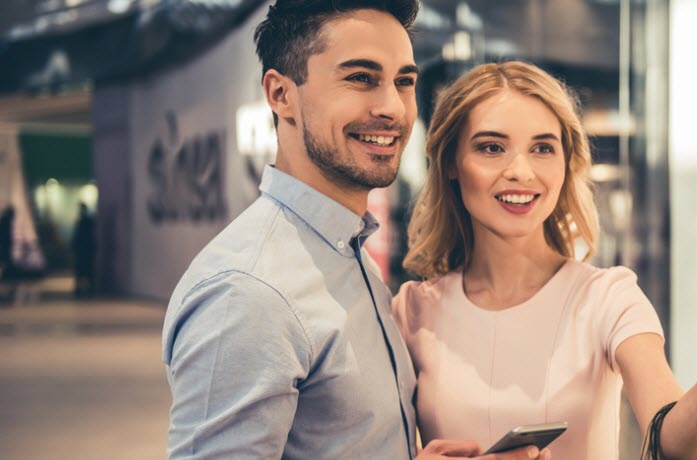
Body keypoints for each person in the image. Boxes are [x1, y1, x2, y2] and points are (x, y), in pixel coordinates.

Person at [162, 2, 547, 459]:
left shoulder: (346, 253)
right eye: (361, 78)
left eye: (404, 81)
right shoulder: (248, 291)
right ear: (281, 94)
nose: (391, 108)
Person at [393, 61, 697, 460]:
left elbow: (671, 438)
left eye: (542, 148)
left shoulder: (607, 297)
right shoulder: (411, 311)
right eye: (492, 148)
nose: (521, 170)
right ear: (450, 163)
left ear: (564, 163)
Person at [71, 203, 96, 297]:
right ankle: (82, 288)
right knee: (83, 270)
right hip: (84, 250)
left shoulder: (86, 222)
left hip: (85, 250)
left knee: (85, 270)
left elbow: (83, 237)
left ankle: (86, 288)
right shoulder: (85, 222)